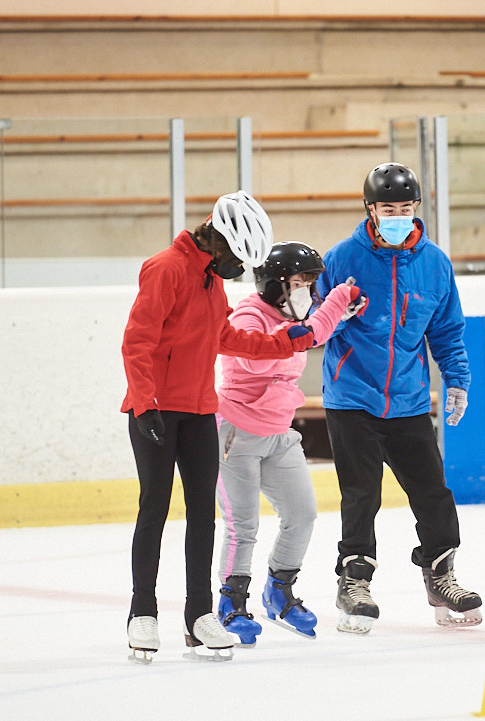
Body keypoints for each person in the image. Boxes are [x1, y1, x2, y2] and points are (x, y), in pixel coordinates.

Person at [120, 191, 317, 663]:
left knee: (203, 517)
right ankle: (142, 612)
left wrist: (284, 343)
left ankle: (198, 616)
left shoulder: (211, 281)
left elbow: (224, 337)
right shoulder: (165, 268)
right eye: (234, 257)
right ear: (219, 238)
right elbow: (137, 340)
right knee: (154, 509)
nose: (235, 269)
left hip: (200, 412)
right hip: (157, 411)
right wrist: (145, 405)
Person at [315, 162, 483, 634]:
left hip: (408, 401)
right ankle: (355, 579)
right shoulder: (342, 258)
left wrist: (456, 380)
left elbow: (447, 331)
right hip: (352, 398)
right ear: (370, 209)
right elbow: (313, 325)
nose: (398, 216)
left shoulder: (434, 263)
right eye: (389, 208)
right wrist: (338, 312)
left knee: (433, 493)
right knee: (361, 495)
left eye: (406, 209)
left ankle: (441, 573)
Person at [213, 241, 364, 645]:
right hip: (235, 434)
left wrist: (339, 308)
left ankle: (278, 590)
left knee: (303, 515)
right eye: (300, 283)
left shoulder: (297, 314)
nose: (307, 293)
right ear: (273, 286)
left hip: (279, 434)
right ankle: (230, 602)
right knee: (242, 527)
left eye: (312, 285)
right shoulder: (249, 314)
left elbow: (314, 332)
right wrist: (328, 307)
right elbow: (256, 358)